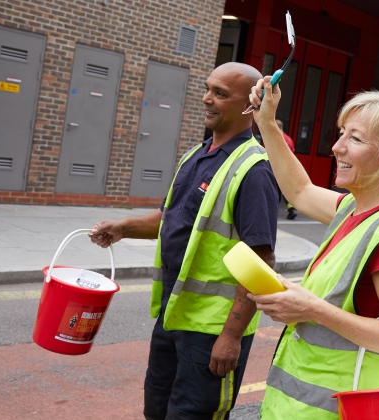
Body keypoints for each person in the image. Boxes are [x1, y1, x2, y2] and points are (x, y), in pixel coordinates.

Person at [89, 62, 280, 420]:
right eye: (208, 88)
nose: (207, 98)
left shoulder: (254, 170)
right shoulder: (197, 155)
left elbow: (260, 263)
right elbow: (172, 218)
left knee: (194, 415)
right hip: (173, 315)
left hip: (212, 331)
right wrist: (125, 226)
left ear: (249, 105)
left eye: (220, 93)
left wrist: (232, 336)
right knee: (158, 410)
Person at [247, 78, 379, 419]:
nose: (336, 147)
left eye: (355, 138)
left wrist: (312, 309)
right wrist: (267, 123)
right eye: (342, 133)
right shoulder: (353, 207)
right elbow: (299, 191)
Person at [275, 119, 298, 220]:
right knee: (284, 189)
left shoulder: (275, 138)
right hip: (287, 167)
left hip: (276, 166)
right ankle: (291, 209)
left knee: (273, 188)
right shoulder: (289, 139)